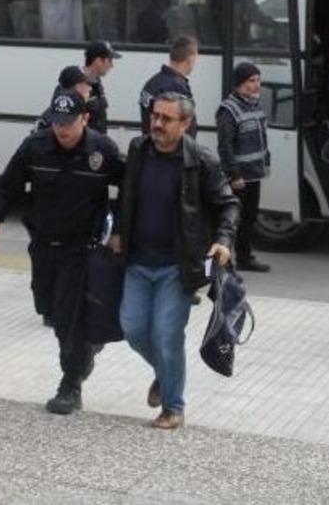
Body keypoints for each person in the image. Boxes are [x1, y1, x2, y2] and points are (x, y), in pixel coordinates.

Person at [0, 90, 124, 415]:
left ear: (85, 119)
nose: (62, 129)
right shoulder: (36, 146)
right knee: (46, 307)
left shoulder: (102, 150)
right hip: (44, 245)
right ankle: (87, 344)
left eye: (69, 123)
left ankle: (70, 386)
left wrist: (119, 231)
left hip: (81, 247)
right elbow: (8, 184)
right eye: (58, 122)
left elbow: (127, 188)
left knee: (66, 319)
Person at [110, 92, 238, 429]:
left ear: (185, 124)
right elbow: (127, 194)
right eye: (155, 116)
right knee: (134, 329)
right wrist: (118, 229)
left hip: (177, 267)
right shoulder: (139, 150)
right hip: (137, 261)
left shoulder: (201, 160)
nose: (157, 124)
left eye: (166, 119)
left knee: (166, 334)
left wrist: (223, 240)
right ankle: (165, 373)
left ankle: (173, 406)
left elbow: (229, 204)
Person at [216, 62, 271, 274]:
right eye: (252, 81)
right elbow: (225, 145)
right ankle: (220, 262)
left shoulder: (254, 105)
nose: (257, 85)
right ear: (240, 83)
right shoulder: (228, 110)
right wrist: (234, 174)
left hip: (253, 175)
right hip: (239, 177)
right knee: (231, 221)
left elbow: (261, 138)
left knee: (249, 217)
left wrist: (266, 162)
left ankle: (245, 258)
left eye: (258, 80)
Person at [139, 36, 198, 137]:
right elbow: (181, 129)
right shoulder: (177, 88)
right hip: (170, 150)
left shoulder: (152, 82)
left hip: (150, 146)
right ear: (190, 59)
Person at [36, 66, 94, 131]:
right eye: (86, 84)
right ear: (73, 89)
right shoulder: (56, 118)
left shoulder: (81, 111)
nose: (90, 89)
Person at [83, 40, 120, 134]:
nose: (112, 65)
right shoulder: (78, 85)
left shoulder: (96, 83)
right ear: (98, 61)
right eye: (110, 60)